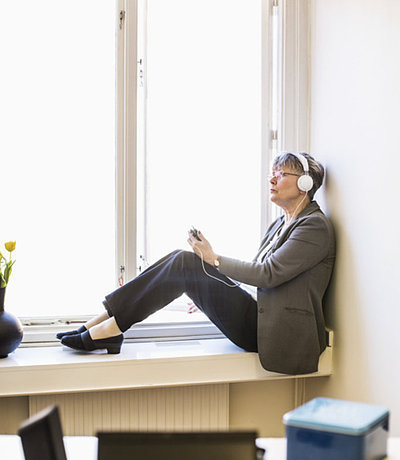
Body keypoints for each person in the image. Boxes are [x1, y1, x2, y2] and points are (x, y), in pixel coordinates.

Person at [58, 152, 335, 375]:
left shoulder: (313, 226)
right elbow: (259, 274)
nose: (272, 180)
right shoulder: (281, 223)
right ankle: (105, 320)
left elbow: (268, 274)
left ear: (304, 184)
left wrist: (213, 259)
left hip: (276, 332)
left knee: (187, 263)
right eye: (271, 174)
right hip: (259, 315)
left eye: (280, 174)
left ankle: (110, 328)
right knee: (184, 260)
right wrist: (210, 288)